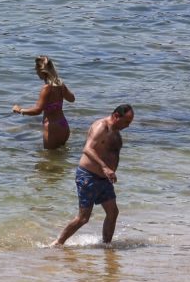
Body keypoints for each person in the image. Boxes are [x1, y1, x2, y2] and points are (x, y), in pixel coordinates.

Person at [51, 104, 135, 247]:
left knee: (113, 212)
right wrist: (105, 167)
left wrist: (109, 171)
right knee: (83, 218)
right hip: (88, 176)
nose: (128, 126)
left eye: (130, 122)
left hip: (104, 179)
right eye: (126, 122)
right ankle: (58, 243)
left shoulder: (115, 130)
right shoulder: (101, 127)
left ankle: (106, 246)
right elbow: (87, 149)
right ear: (116, 116)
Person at [11, 56, 75, 149]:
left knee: (48, 161)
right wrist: (63, 88)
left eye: (36, 69)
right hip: (63, 125)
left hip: (52, 128)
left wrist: (20, 110)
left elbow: (37, 110)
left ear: (41, 71)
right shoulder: (60, 85)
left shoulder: (46, 88)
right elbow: (72, 99)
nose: (36, 72)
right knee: (60, 157)